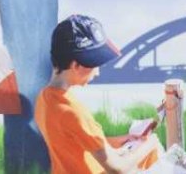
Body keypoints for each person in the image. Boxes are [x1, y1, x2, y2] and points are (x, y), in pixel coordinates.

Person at [35, 14, 162, 173]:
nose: (97, 73)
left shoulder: (45, 99)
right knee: (153, 153)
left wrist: (121, 141)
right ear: (76, 65)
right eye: (95, 65)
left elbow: (77, 143)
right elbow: (118, 169)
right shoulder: (73, 112)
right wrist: (150, 144)